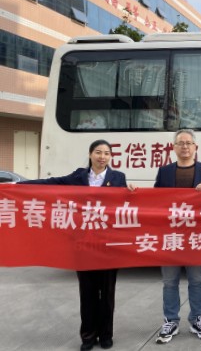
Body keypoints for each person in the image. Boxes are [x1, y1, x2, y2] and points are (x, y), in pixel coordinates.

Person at [18, 140, 134, 351]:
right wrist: (18, 186)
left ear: (111, 157)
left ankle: (106, 335)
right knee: (87, 293)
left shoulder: (119, 178)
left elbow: (127, 204)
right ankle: (88, 337)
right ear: (90, 154)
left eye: (106, 153)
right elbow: (51, 183)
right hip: (83, 245)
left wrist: (132, 191)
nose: (102, 157)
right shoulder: (78, 177)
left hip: (108, 245)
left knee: (107, 294)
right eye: (98, 152)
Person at [154, 129, 201, 344]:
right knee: (169, 281)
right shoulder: (164, 172)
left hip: (195, 236)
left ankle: (197, 318)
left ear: (195, 147)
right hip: (170, 236)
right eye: (180, 143)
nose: (185, 147)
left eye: (189, 143)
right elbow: (153, 201)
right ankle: (171, 320)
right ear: (173, 147)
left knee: (196, 280)